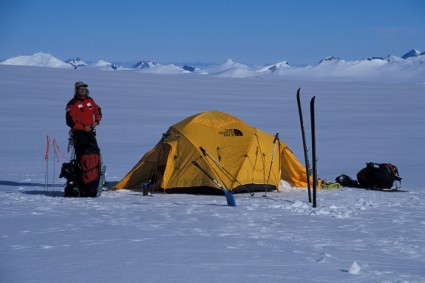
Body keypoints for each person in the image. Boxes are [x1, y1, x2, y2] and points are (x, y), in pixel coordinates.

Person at [64, 81, 102, 197]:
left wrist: (96, 122)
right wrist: (83, 127)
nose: (83, 90)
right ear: (76, 90)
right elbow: (70, 121)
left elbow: (98, 111)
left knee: (95, 154)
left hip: (90, 132)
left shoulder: (90, 101)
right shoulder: (72, 104)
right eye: (81, 88)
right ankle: (84, 181)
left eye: (85, 88)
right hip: (80, 134)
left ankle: (93, 179)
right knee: (84, 157)